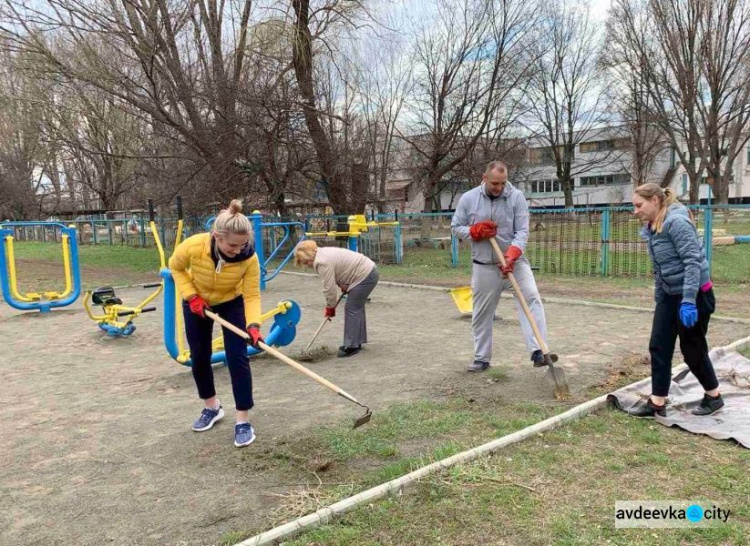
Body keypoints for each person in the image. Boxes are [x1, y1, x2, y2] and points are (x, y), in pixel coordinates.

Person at [169, 200, 263, 447]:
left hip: (231, 302)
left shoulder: (248, 258)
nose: (237, 250)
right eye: (232, 245)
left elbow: (252, 295)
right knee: (199, 356)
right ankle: (212, 407)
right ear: (216, 237)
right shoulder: (194, 246)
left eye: (242, 245)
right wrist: (191, 296)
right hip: (197, 301)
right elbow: (175, 267)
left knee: (238, 358)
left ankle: (242, 420)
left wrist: (253, 325)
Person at [629, 183, 724, 418]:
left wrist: (689, 300)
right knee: (659, 345)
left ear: (655, 201)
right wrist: (661, 298)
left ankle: (714, 396)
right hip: (670, 296)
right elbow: (662, 268)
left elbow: (692, 262)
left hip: (695, 295)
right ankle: (657, 402)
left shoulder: (676, 222)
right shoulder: (652, 227)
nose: (636, 211)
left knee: (692, 349)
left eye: (638, 205)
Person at [451, 160, 550, 372]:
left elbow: (522, 231)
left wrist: (513, 253)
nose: (499, 188)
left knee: (531, 298)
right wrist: (474, 232)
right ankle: (481, 358)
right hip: (484, 265)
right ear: (484, 178)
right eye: (495, 183)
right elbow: (456, 227)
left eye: (503, 183)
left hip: (515, 263)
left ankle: (539, 351)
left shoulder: (516, 197)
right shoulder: (468, 199)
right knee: (481, 313)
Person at [294, 240, 379, 357]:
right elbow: (340, 271)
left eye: (305, 262)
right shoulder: (323, 253)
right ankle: (356, 342)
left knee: (352, 308)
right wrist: (344, 285)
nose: (307, 265)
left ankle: (351, 346)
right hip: (366, 271)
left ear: (308, 256)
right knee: (356, 307)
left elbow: (329, 289)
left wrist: (330, 308)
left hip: (365, 274)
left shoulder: (321, 262)